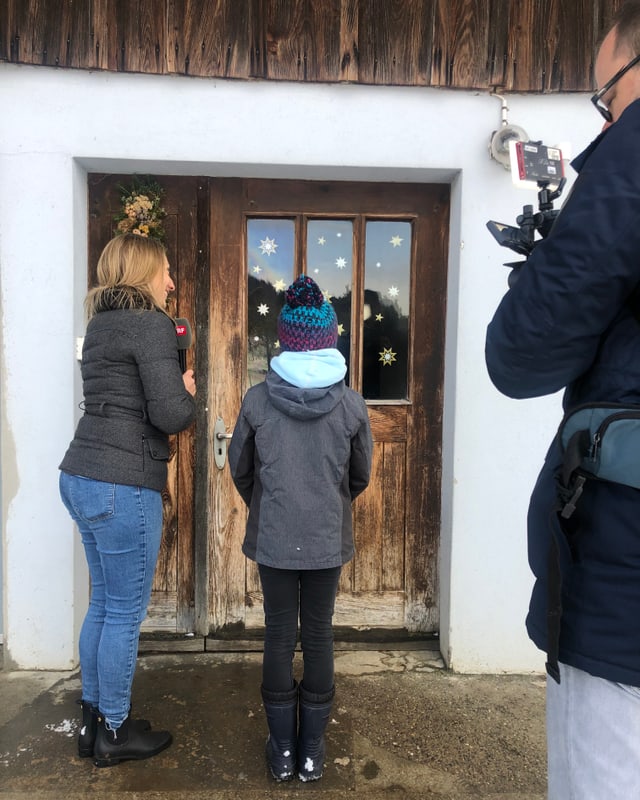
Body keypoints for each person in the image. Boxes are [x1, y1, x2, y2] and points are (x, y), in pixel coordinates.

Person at [485, 3, 640, 797]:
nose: (607, 116)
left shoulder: (634, 152)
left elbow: (519, 355)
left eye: (605, 97)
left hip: (625, 595)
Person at [59, 233, 196, 767]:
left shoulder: (100, 326)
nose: (171, 281)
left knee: (103, 604)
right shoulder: (151, 324)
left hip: (81, 473)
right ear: (144, 273)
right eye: (165, 270)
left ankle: (93, 721)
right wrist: (184, 388)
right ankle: (115, 733)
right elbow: (171, 414)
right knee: (123, 614)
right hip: (122, 481)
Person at [228, 275, 372, 783]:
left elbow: (240, 467)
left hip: (274, 537)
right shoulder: (351, 404)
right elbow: (360, 475)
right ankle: (311, 752)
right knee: (318, 635)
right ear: (330, 338)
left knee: (278, 635)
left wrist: (267, 505)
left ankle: (283, 751)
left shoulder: (257, 400)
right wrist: (328, 505)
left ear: (285, 340)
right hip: (326, 540)